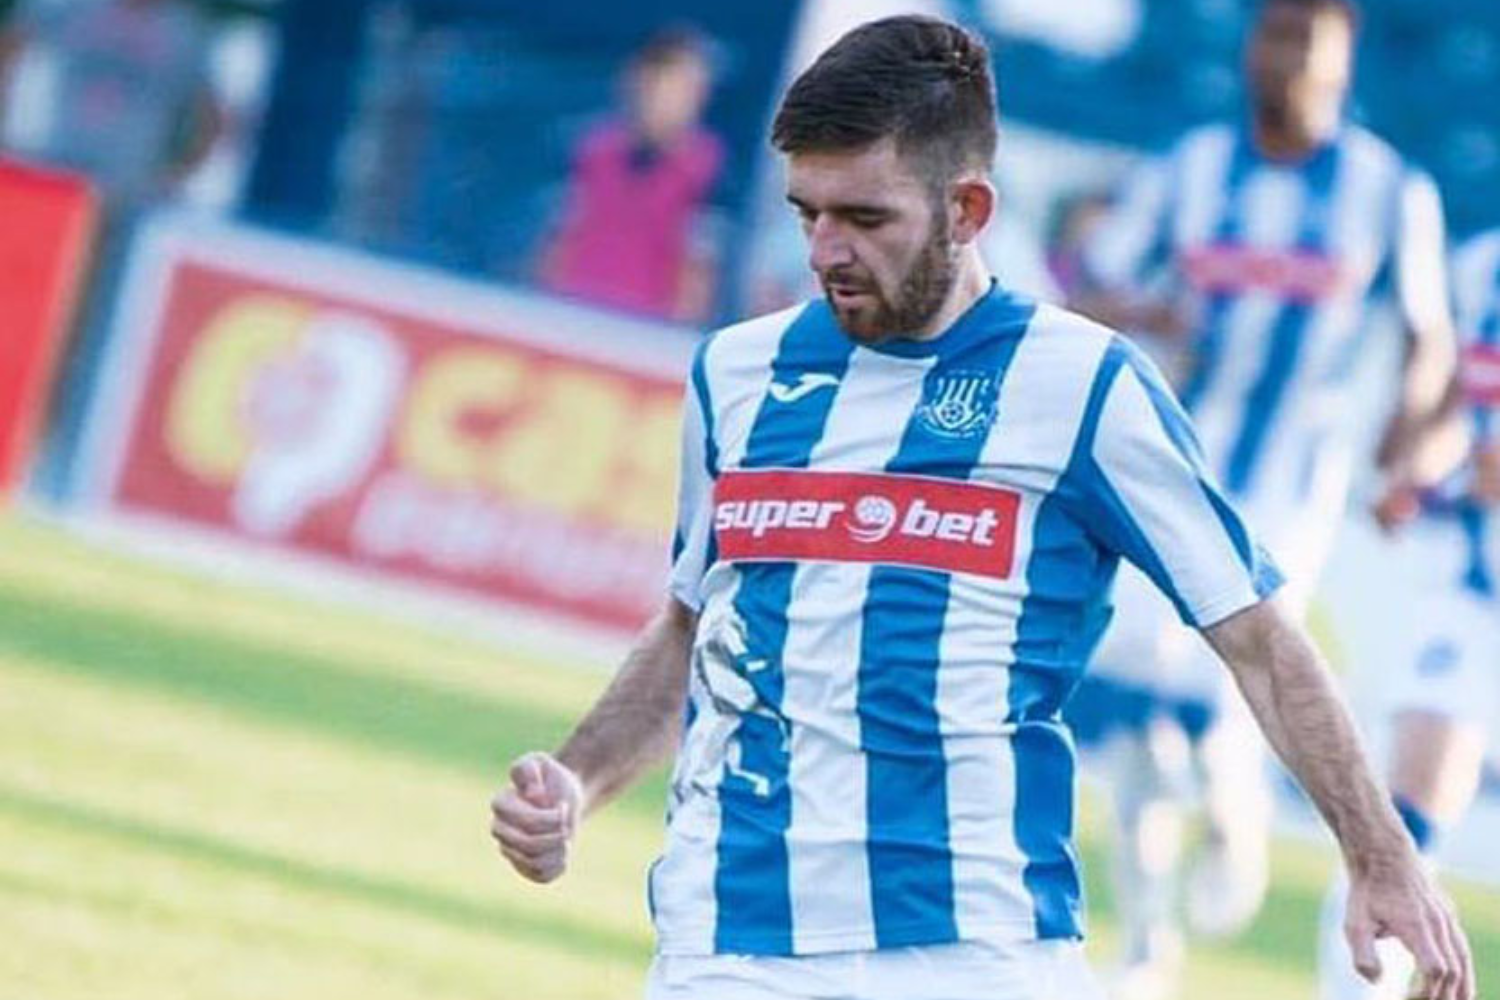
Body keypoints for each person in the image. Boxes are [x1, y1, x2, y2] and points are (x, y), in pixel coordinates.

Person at [490, 16, 1474, 1000]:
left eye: (865, 218)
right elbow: (691, 626)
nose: (827, 251)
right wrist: (578, 779)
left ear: (967, 209)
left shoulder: (1082, 385)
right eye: (808, 214)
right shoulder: (737, 375)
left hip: (978, 951)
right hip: (730, 945)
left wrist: (1381, 854)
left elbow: (1258, 636)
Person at [1065, 1, 1458, 993]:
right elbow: (1089, 285)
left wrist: (1405, 439)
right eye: (1271, 34)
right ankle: (1148, 941)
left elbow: (1429, 337)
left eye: (1303, 40)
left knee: (1228, 677)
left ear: (1341, 58)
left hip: (1293, 485)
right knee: (1146, 703)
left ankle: (1235, 800)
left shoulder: (1386, 189)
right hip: (1173, 467)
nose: (1282, 58)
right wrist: (1144, 311)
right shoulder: (1191, 167)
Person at [1314, 229, 1500, 1000]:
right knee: (1403, 818)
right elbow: (1460, 402)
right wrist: (1418, 469)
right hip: (1475, 590)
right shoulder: (1484, 264)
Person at [537, 25, 725, 324]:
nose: (674, 103)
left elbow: (696, 278)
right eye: (665, 87)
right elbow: (557, 243)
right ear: (637, 82)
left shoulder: (706, 171)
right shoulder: (591, 149)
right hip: (568, 315)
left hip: (641, 332)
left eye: (689, 91)